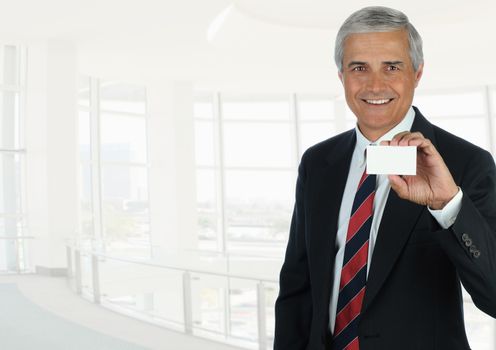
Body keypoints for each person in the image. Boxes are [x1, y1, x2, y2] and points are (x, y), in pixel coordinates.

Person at [274, 6, 496, 350]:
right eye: (359, 67)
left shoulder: (465, 163)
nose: (375, 84)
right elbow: (296, 289)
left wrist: (448, 205)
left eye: (392, 67)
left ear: (417, 74)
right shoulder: (318, 164)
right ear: (341, 77)